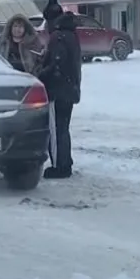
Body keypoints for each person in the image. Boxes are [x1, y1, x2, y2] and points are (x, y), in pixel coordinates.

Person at [38, 10, 82, 180]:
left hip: (57, 90)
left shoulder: (58, 37)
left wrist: (41, 74)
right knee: (63, 128)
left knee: (55, 130)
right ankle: (66, 162)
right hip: (70, 89)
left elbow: (57, 63)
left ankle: (59, 166)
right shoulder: (71, 35)